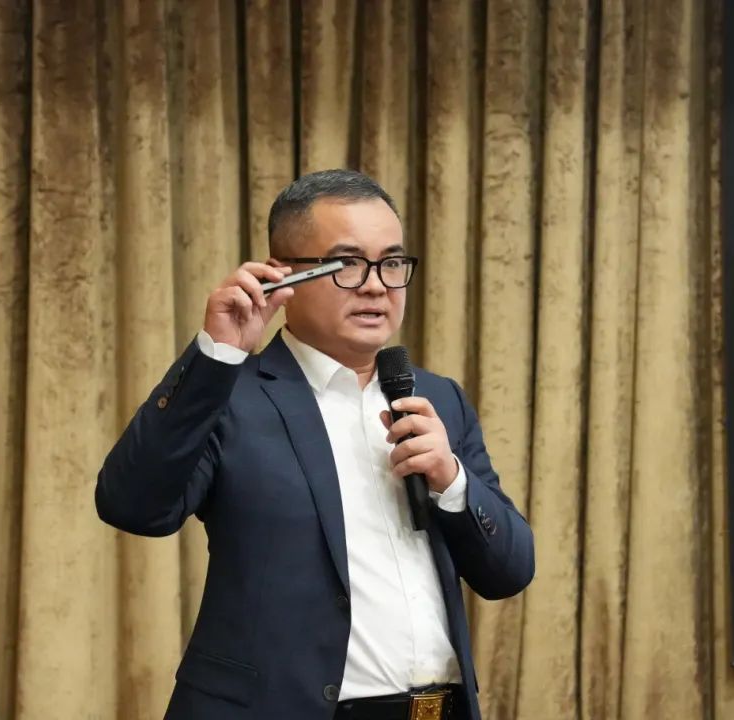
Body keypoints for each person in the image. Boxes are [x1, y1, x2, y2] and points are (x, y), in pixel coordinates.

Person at [96, 169, 535, 720]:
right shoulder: (228, 395)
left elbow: (509, 571)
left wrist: (452, 483)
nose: (376, 286)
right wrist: (216, 356)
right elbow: (132, 506)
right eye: (347, 264)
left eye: (392, 263)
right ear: (282, 276)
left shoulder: (438, 399)